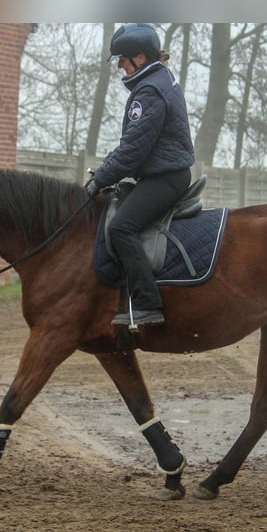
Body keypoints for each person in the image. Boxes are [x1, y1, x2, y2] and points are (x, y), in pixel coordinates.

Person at [88, 23, 195, 328]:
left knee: (121, 228)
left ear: (140, 56)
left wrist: (99, 180)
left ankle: (148, 304)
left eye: (122, 58)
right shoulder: (158, 80)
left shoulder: (149, 91)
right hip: (164, 173)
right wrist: (106, 171)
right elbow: (133, 146)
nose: (120, 64)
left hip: (165, 179)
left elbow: (133, 150)